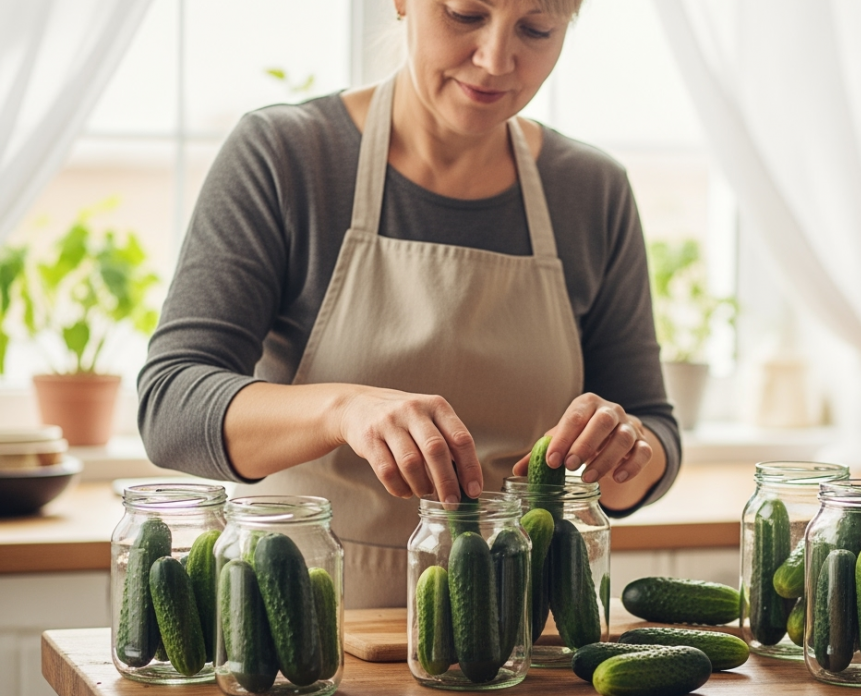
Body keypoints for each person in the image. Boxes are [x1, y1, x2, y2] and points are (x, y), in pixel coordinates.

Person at [137, 0, 680, 608]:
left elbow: (655, 431)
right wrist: (344, 410)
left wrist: (624, 452)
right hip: (300, 633)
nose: (496, 59)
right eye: (465, 14)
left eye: (535, 29)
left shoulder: (591, 189)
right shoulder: (287, 156)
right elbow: (170, 406)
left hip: (517, 637)